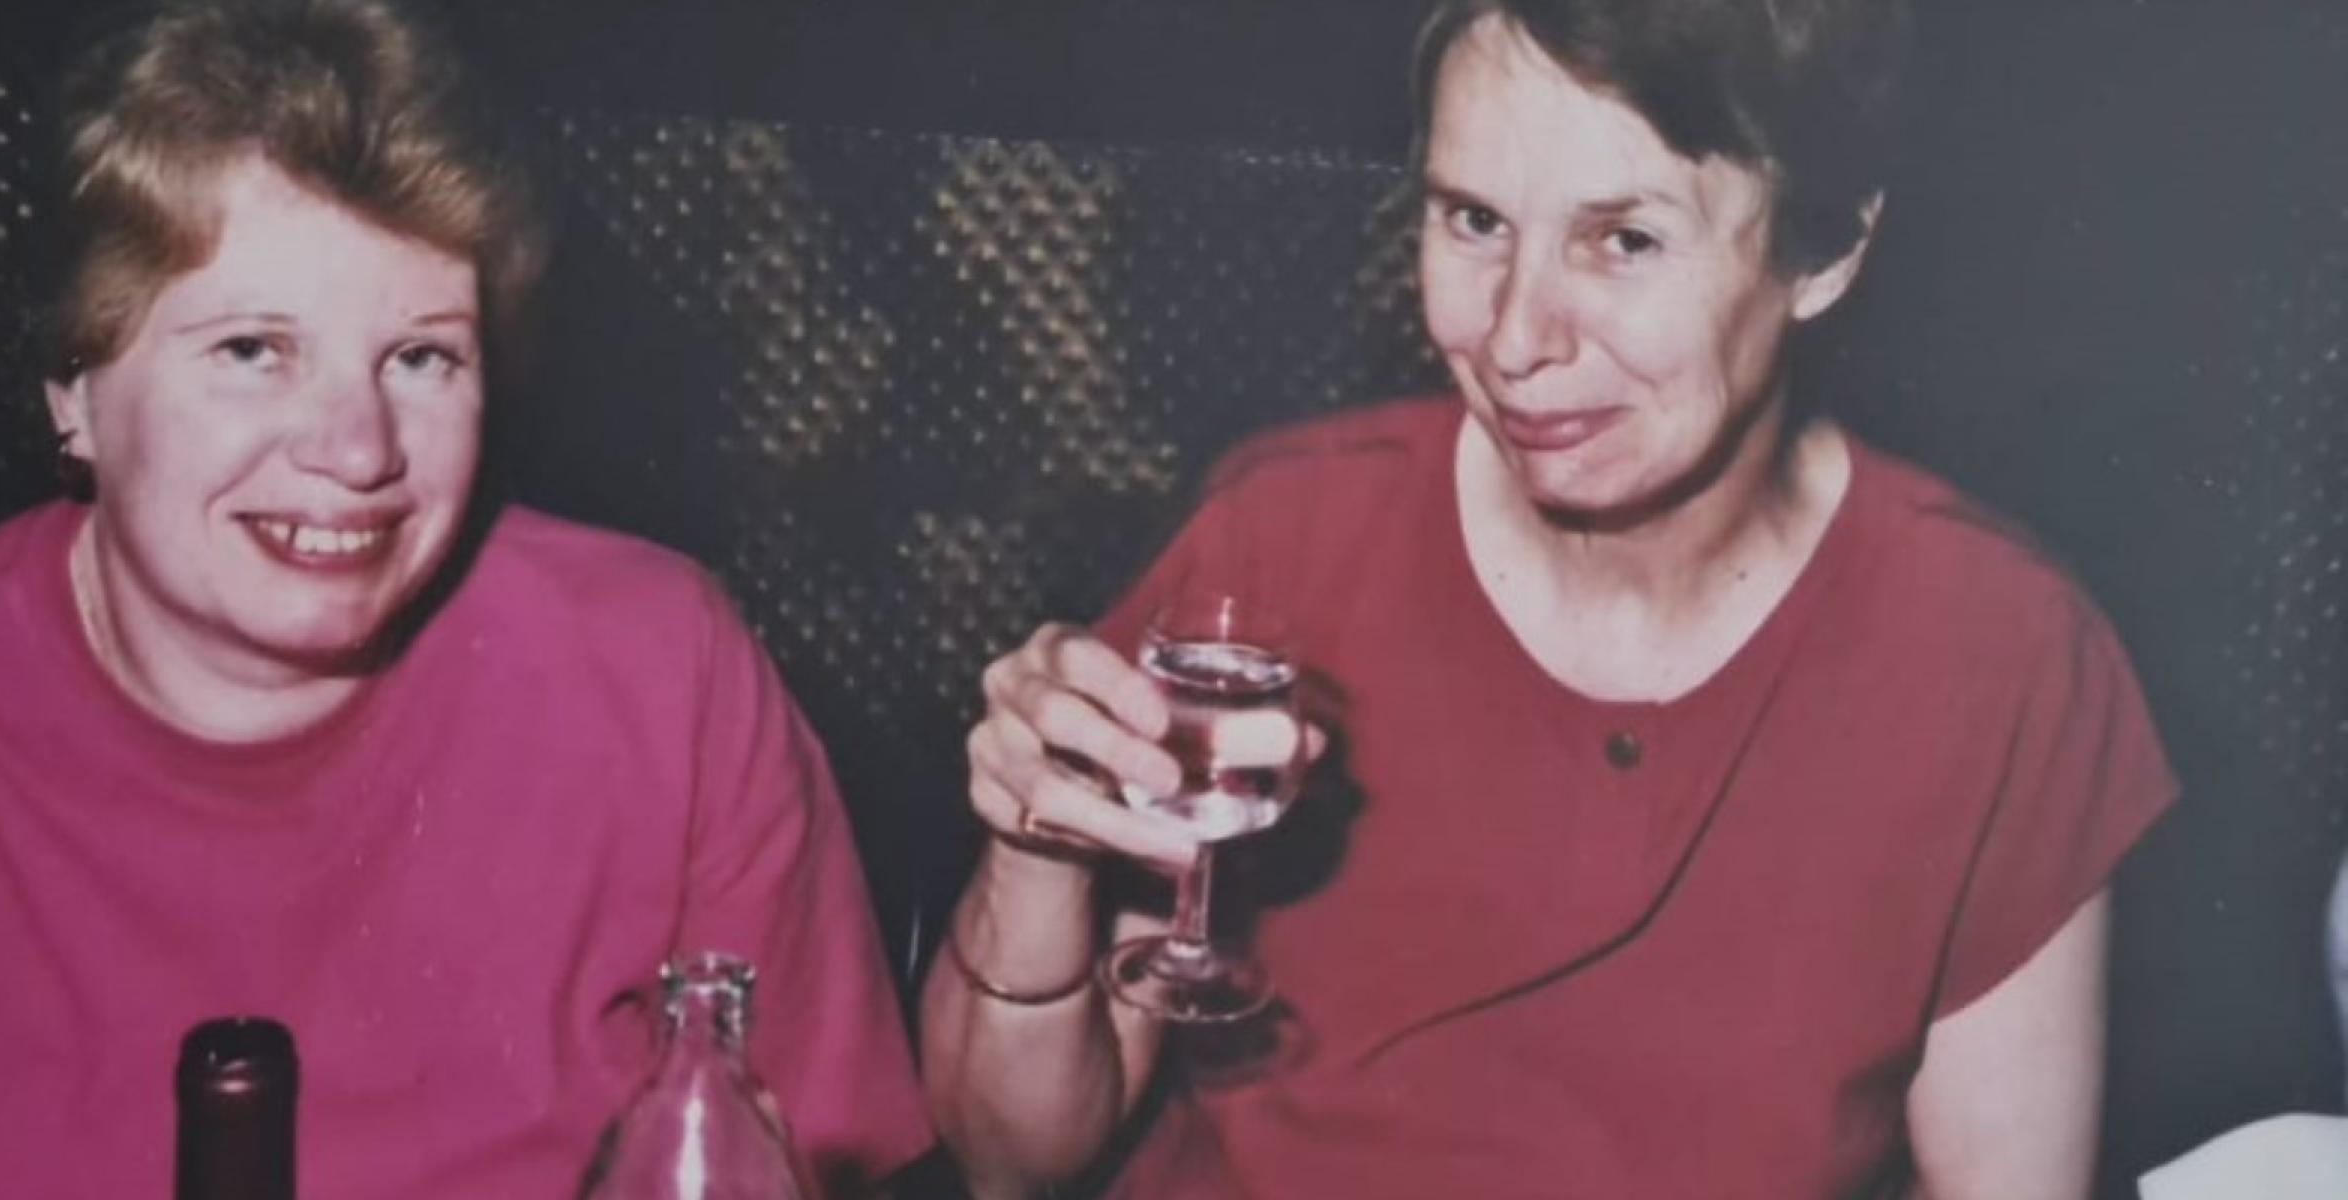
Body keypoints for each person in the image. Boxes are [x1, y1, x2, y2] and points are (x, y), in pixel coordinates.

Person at [919, 1, 2175, 1197]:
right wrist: (1037, 847)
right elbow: (1009, 1163)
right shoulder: (1280, 541)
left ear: (1828, 247)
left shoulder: (1999, 655)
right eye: (1472, 220)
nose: (1516, 337)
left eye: (1623, 240)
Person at [0, 1, 929, 1194]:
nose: (359, 451)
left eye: (422, 358)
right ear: (74, 388)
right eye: (254, 349)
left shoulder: (660, 679)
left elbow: (824, 1163)